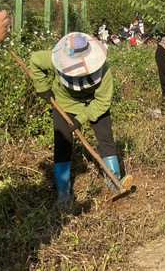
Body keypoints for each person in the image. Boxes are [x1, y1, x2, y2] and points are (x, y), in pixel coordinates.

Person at [29, 32, 131, 206]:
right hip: (64, 104)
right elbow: (34, 60)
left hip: (93, 103)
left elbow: (102, 101)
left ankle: (114, 183)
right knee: (63, 144)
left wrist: (81, 119)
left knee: (106, 139)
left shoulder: (103, 69)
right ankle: (63, 194)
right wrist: (43, 88)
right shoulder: (55, 60)